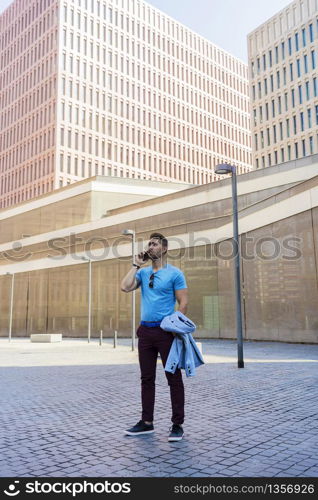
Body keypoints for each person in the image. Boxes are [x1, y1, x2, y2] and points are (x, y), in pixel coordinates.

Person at [120, 232, 188, 441]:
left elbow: (183, 303)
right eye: (149, 244)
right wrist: (135, 265)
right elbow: (124, 286)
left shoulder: (175, 274)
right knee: (146, 378)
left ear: (164, 249)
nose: (151, 247)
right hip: (146, 332)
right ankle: (146, 422)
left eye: (155, 244)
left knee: (173, 378)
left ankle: (177, 424)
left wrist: (175, 326)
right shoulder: (143, 273)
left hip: (165, 332)